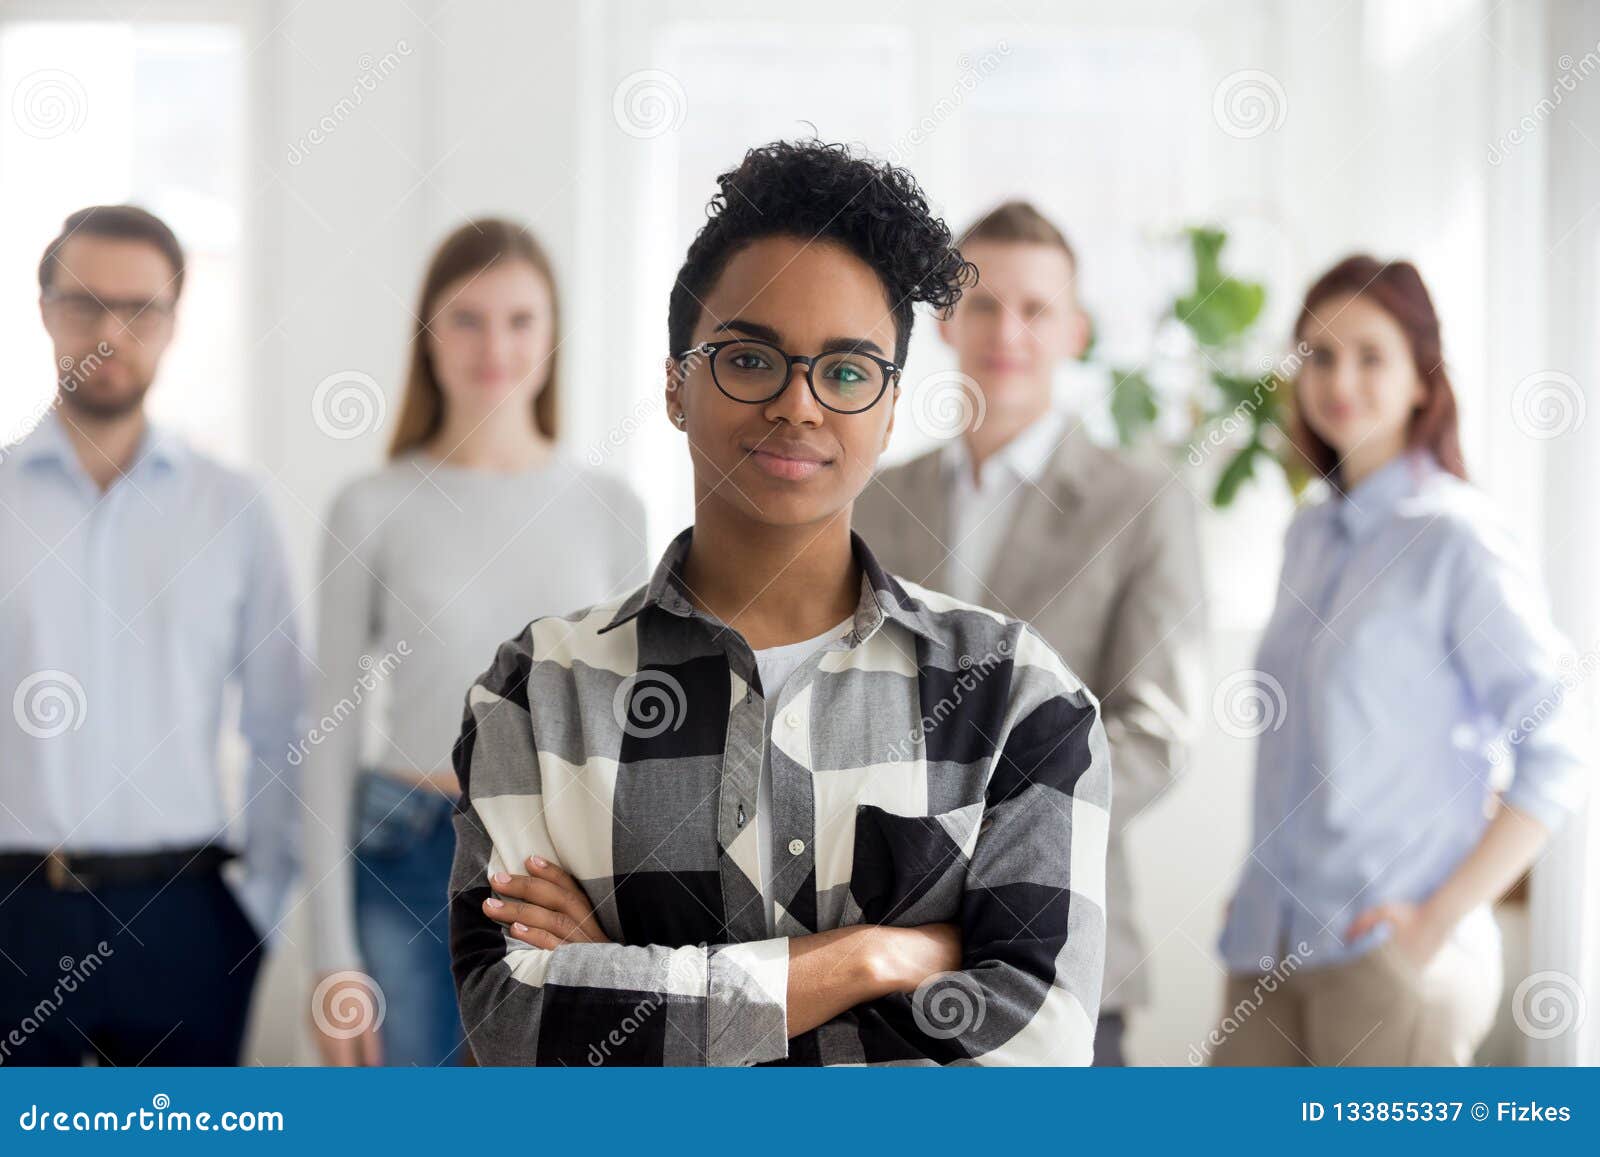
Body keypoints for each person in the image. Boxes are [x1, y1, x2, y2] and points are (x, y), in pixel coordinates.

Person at [447, 140, 1112, 1066]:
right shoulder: (538, 691)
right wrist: (869, 956)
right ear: (676, 384)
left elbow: (1035, 1050)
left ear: (887, 410)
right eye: (752, 359)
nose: (799, 405)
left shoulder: (1017, 697)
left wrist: (620, 979)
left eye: (845, 372)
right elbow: (516, 1028)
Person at [852, 201, 1206, 1064]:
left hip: (1068, 941)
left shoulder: (1145, 503)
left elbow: (1158, 732)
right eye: (983, 303)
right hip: (879, 946)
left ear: (1075, 329)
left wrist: (1003, 823)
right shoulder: (875, 497)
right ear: (945, 321)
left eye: (1036, 308)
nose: (1007, 330)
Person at [1211, 256, 1588, 1065]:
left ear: (1424, 377)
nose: (1339, 377)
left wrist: (1433, 924)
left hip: (1384, 959)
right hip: (1264, 951)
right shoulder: (1305, 536)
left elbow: (1559, 748)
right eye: (1318, 354)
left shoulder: (1455, 536)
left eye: (1370, 355)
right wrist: (1260, 894)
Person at [302, 219, 648, 1067]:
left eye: (520, 319)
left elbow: (638, 731)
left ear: (553, 335)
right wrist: (328, 955)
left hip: (558, 863)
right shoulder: (369, 505)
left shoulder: (611, 507)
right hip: (406, 846)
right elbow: (324, 732)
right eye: (467, 317)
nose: (495, 343)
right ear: (427, 335)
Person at [0, 205, 305, 1065]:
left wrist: (263, 907)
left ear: (173, 323)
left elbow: (284, 720)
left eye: (139, 309)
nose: (109, 331)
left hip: (186, 920)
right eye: (84, 302)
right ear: (43, 310)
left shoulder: (232, 507)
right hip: (13, 914)